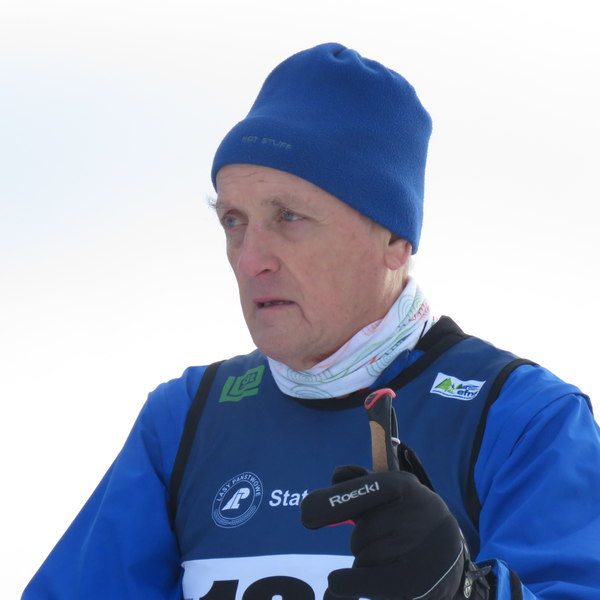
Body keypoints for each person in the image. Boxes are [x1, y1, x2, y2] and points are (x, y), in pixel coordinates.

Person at [22, 42, 600, 600]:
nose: (250, 259)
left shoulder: (520, 416)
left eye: (289, 216)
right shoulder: (183, 420)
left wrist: (465, 593)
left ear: (394, 239)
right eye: (233, 220)